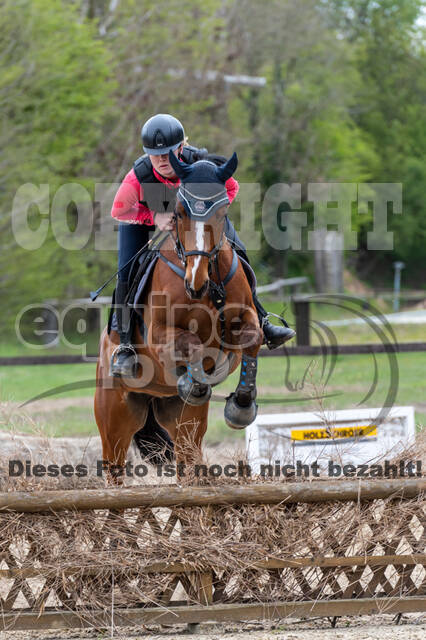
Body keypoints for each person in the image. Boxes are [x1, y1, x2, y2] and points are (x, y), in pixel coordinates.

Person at [109, 114, 295, 377]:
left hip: (199, 220)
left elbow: (232, 187)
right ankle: (126, 344)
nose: (162, 159)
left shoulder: (201, 165)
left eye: (167, 152)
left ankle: (262, 318)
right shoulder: (138, 175)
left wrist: (213, 216)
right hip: (144, 218)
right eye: (155, 154)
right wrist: (154, 218)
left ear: (181, 148)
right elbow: (119, 210)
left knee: (238, 252)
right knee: (126, 270)